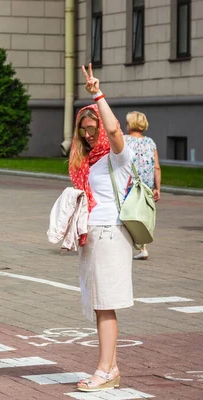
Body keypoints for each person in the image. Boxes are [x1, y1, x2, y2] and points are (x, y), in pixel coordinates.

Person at [69, 64, 134, 392]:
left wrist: (97, 93)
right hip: (94, 234)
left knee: (105, 303)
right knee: (99, 304)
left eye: (92, 127)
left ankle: (106, 370)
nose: (89, 134)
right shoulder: (92, 161)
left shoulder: (118, 156)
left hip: (110, 232)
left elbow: (114, 131)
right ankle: (110, 366)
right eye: (84, 129)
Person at [124, 111, 161, 261]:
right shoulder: (150, 142)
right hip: (145, 186)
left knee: (126, 215)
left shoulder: (124, 140)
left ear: (129, 124)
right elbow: (156, 167)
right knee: (141, 216)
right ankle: (143, 246)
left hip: (129, 184)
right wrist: (157, 187)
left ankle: (128, 245)